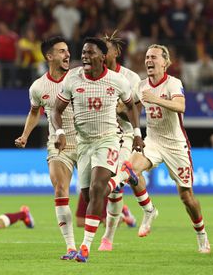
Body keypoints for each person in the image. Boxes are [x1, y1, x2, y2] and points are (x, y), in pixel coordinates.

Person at [51, 37, 144, 262]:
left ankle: (85, 248)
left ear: (103, 57)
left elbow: (131, 105)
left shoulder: (117, 80)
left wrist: (138, 133)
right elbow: (56, 110)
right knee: (89, 194)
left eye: (90, 53)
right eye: (83, 53)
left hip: (108, 140)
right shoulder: (73, 78)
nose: (85, 56)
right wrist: (60, 133)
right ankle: (122, 179)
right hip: (83, 144)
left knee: (97, 187)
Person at [116, 44, 211, 254]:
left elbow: (181, 106)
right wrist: (117, 108)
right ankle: (148, 210)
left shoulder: (173, 83)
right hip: (153, 142)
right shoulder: (141, 86)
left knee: (186, 197)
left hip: (176, 145)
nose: (149, 60)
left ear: (165, 62)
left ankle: (201, 234)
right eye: (147, 56)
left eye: (154, 57)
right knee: (129, 168)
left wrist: (155, 99)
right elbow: (129, 109)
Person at [15, 36, 78, 260]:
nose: (67, 54)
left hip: (88, 140)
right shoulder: (38, 87)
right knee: (60, 188)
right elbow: (34, 113)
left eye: (68, 50)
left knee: (96, 193)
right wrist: (24, 136)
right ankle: (71, 247)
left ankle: (117, 214)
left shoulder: (80, 77)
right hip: (58, 144)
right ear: (49, 56)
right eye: (61, 51)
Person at [98, 31, 141, 251]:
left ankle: (108, 238)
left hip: (123, 136)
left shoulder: (131, 78)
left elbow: (136, 111)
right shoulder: (92, 77)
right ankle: (127, 175)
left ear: (116, 52)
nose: (102, 53)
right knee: (91, 188)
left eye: (106, 49)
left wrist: (120, 111)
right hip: (101, 137)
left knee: (114, 188)